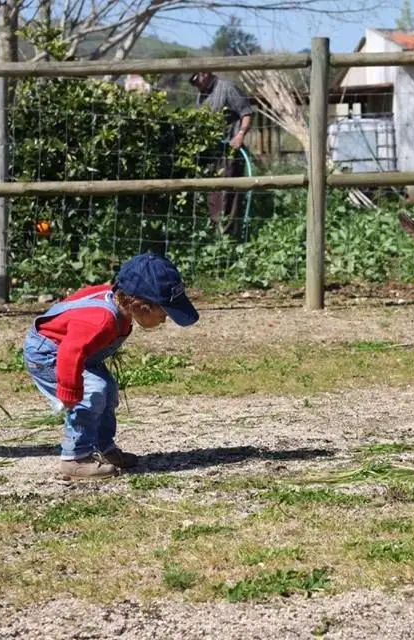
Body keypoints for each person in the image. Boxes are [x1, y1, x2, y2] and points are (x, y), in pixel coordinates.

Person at [23, 252, 200, 481]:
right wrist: (69, 390)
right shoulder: (101, 321)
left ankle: (102, 447)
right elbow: (70, 351)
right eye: (163, 313)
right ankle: (75, 458)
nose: (164, 320)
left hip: (75, 353)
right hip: (49, 354)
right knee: (91, 392)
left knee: (107, 389)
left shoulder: (118, 305)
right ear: (139, 305)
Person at [190, 71, 254, 238]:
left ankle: (230, 238)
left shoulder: (227, 88)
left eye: (196, 79)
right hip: (212, 154)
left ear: (205, 73)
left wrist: (240, 134)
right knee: (213, 197)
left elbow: (246, 113)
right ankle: (215, 236)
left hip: (230, 153)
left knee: (228, 198)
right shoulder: (202, 95)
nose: (196, 84)